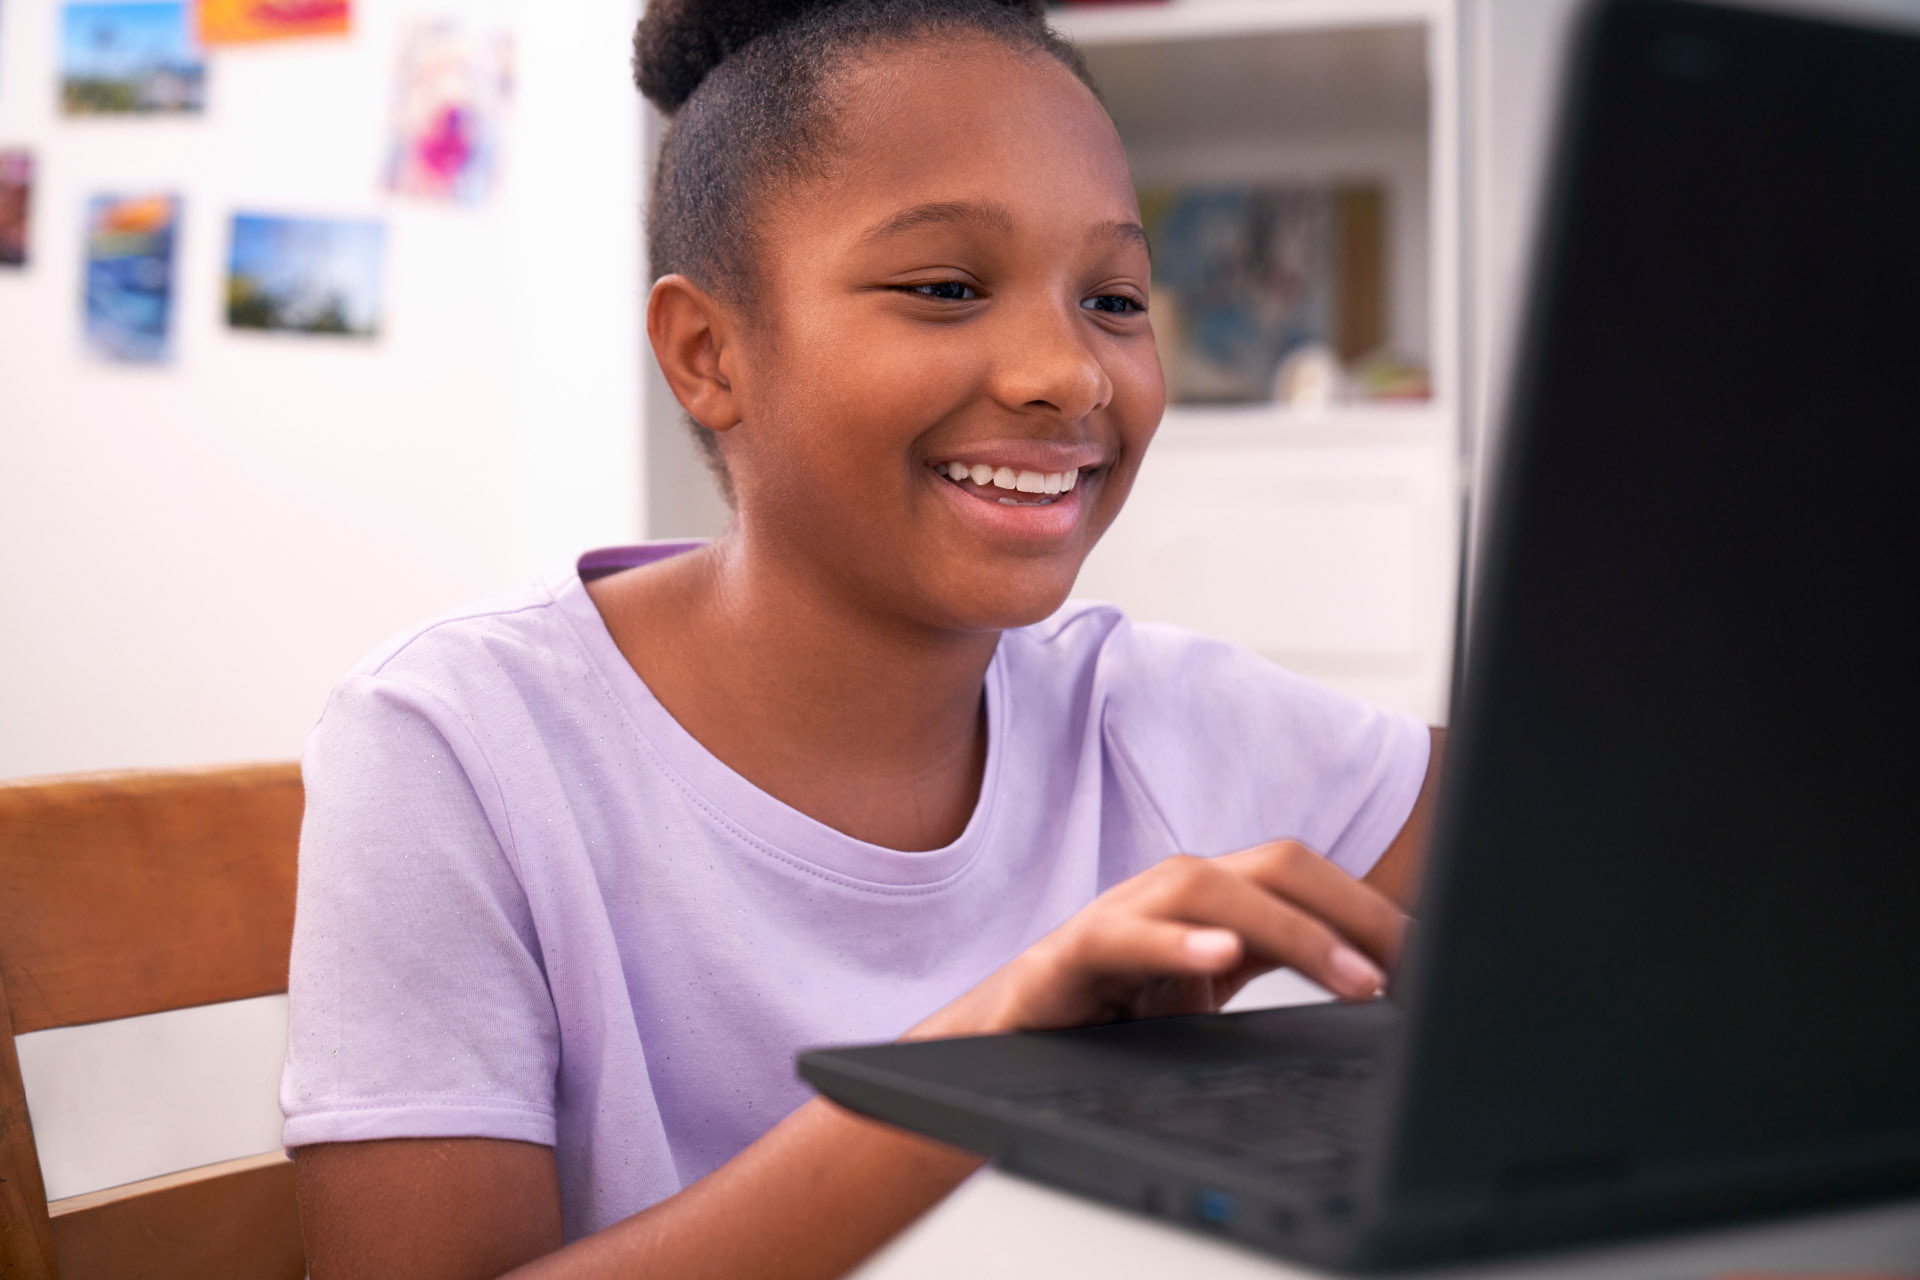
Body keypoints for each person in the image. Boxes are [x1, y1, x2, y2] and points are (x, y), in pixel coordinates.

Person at [282, 1, 1446, 1275]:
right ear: (707, 351)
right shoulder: (455, 744)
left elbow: (1614, 881)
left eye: (1114, 296)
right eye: (947, 287)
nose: (1073, 372)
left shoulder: (1154, 709)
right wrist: (995, 1069)